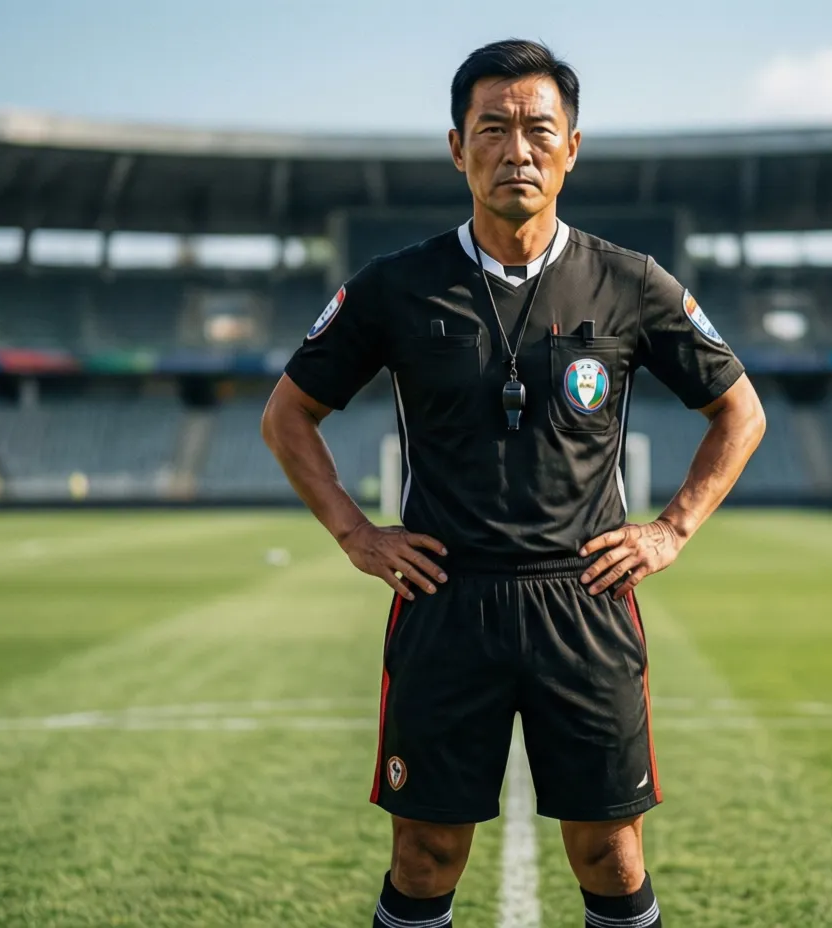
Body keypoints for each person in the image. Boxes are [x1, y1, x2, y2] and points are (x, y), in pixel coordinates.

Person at [261, 39, 765, 928]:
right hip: (446, 601)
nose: (516, 149)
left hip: (586, 598)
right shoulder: (395, 287)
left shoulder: (630, 282)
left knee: (609, 852)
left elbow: (741, 412)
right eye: (491, 128)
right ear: (457, 147)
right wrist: (357, 534)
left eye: (539, 128)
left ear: (573, 147)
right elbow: (286, 415)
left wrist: (670, 530)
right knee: (425, 854)